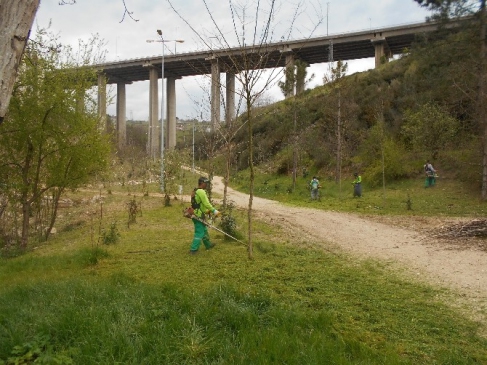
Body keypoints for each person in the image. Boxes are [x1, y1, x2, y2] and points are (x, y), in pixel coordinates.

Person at [189, 176, 220, 255]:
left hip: (197, 213)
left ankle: (208, 245)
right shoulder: (201, 192)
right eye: (206, 183)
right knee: (199, 232)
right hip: (197, 214)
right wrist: (214, 211)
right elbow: (206, 203)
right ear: (202, 183)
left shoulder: (195, 191)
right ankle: (193, 249)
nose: (207, 185)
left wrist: (207, 211)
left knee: (204, 231)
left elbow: (198, 204)